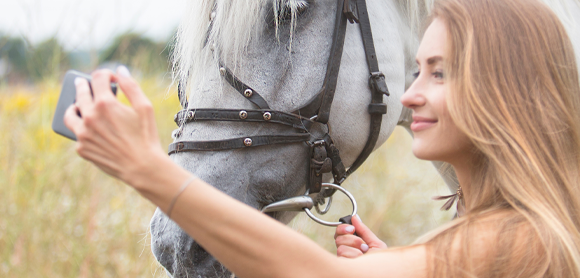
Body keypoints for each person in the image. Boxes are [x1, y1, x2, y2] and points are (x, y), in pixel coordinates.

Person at [64, 0, 580, 276]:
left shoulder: (520, 237)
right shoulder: (501, 228)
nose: (410, 95)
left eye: (439, 74)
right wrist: (398, 266)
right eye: (417, 71)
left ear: (506, 92)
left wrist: (149, 171)